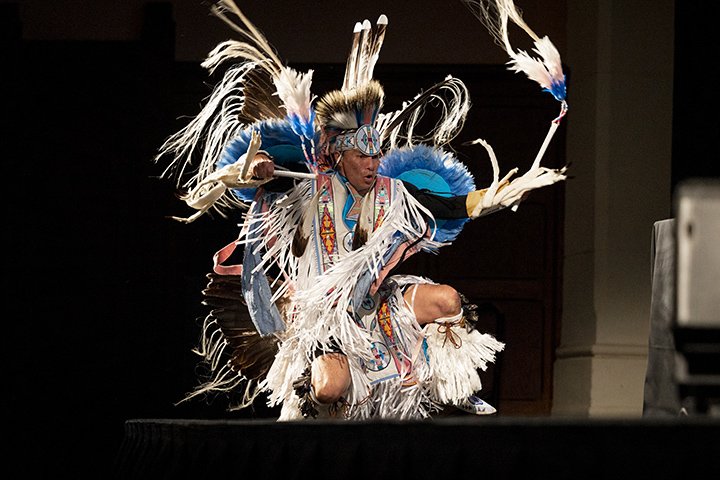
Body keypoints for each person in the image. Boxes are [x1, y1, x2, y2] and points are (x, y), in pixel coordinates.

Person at [156, 0, 568, 420]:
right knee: (329, 385)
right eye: (361, 156)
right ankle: (314, 418)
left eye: (376, 156)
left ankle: (454, 382)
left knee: (446, 300)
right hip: (325, 321)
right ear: (338, 154)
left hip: (381, 303)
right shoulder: (310, 190)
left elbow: (452, 205)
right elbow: (257, 184)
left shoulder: (395, 192)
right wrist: (254, 170)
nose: (372, 164)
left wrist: (496, 196)